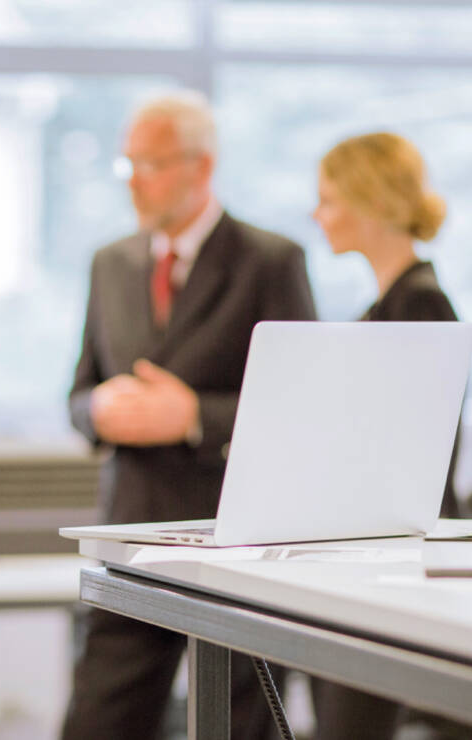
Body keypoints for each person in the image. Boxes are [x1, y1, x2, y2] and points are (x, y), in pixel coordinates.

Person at [60, 91, 317, 740]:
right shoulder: (110, 262)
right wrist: (99, 409)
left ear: (202, 167)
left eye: (150, 164)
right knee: (97, 718)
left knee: (236, 723)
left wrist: (193, 416)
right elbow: (79, 393)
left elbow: (300, 405)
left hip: (237, 534)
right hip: (133, 530)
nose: (135, 182)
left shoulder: (269, 260)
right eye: (128, 165)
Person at [310, 131, 462, 739]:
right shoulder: (384, 307)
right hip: (372, 550)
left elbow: (401, 452)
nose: (317, 215)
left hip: (395, 557)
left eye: (327, 199)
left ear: (367, 202)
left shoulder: (421, 307)